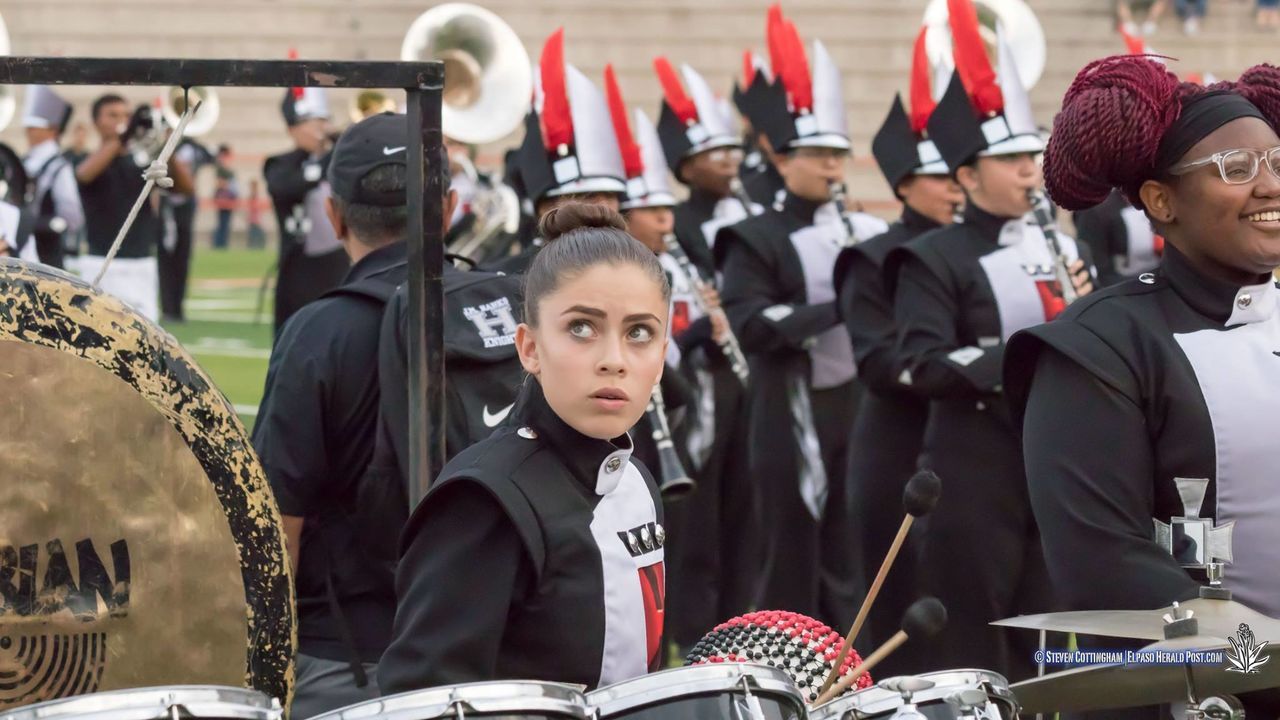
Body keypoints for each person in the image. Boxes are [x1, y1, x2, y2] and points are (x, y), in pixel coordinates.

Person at [1004, 56, 1280, 717]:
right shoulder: (1098, 344)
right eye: (1236, 169)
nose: (1269, 186)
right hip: (1201, 696)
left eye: (1277, 162)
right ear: (1161, 200)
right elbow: (1099, 559)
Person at [883, 0, 1094, 682]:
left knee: (1048, 626)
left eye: (1032, 154)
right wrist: (1033, 348)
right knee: (973, 633)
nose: (1030, 170)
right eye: (1009, 160)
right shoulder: (933, 256)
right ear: (968, 177)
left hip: (1053, 456)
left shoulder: (1061, 240)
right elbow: (922, 365)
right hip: (972, 466)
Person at [379, 203, 670, 694]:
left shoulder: (636, 481)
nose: (614, 360)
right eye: (582, 327)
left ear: (662, 359)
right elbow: (422, 698)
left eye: (639, 333)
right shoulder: (483, 501)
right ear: (529, 348)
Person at [253, 113, 449, 718]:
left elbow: (274, 522)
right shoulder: (512, 308)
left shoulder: (317, 331)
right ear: (449, 209)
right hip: (491, 644)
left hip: (349, 657)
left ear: (334, 216)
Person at [714, 8, 888, 629]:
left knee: (850, 541)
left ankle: (849, 664)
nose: (833, 167)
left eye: (839, 154)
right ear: (781, 158)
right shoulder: (750, 237)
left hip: (854, 403)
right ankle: (787, 659)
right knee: (788, 540)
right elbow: (754, 326)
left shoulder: (866, 230)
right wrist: (840, 308)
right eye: (818, 154)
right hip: (786, 408)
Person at [832, 27, 963, 677]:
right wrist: (967, 371)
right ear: (905, 183)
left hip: (968, 450)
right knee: (893, 612)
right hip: (896, 451)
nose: (955, 188)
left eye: (960, 172)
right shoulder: (872, 257)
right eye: (941, 176)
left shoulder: (973, 252)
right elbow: (878, 361)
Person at [606, 63, 748, 654]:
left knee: (715, 531)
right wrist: (685, 342)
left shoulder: (682, 256)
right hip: (648, 413)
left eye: (669, 211)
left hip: (705, 402)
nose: (667, 221)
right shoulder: (621, 269)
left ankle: (711, 633)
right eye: (653, 212)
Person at [483, 28, 627, 275]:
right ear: (546, 209)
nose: (604, 206)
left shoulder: (643, 272)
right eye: (589, 196)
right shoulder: (500, 281)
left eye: (611, 195)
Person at [75, 94, 193, 321]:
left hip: (141, 264)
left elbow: (185, 189)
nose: (122, 120)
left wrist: (166, 148)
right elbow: (84, 174)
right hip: (101, 263)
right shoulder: (87, 160)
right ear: (97, 122)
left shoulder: (141, 163)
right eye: (113, 115)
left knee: (144, 342)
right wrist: (124, 136)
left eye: (127, 115)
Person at [264, 85, 350, 336]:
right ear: (293, 129)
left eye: (324, 121)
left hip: (338, 264)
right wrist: (329, 154)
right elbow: (287, 187)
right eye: (313, 123)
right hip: (298, 270)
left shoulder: (341, 161)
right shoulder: (281, 164)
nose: (321, 128)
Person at [21, 85, 83, 269]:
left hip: (48, 252)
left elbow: (72, 216)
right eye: (29, 125)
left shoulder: (60, 166)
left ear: (53, 130)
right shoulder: (26, 160)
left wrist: (47, 224)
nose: (30, 130)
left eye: (36, 126)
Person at [158, 136, 208, 323]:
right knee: (165, 260)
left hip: (184, 208)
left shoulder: (191, 146)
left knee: (182, 259)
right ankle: (168, 307)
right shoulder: (158, 145)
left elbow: (207, 159)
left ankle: (178, 307)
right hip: (166, 206)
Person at [213, 144, 237, 250]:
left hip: (228, 198)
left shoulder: (222, 168)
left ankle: (221, 244)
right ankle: (220, 244)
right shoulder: (220, 168)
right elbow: (220, 183)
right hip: (223, 198)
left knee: (224, 223)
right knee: (223, 223)